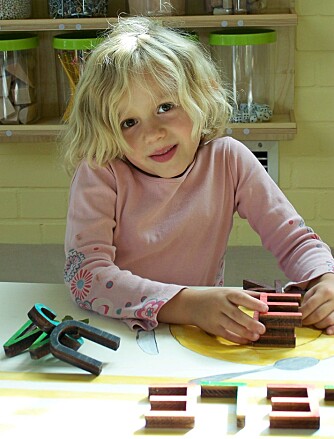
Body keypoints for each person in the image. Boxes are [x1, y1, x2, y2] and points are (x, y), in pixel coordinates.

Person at [62, 16, 334, 344]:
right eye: (129, 122)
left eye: (165, 107)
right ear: (105, 129)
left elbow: (294, 240)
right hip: (116, 328)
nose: (153, 134)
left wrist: (324, 278)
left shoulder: (229, 159)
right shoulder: (100, 172)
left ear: (201, 97)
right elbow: (86, 275)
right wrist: (187, 304)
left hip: (199, 332)